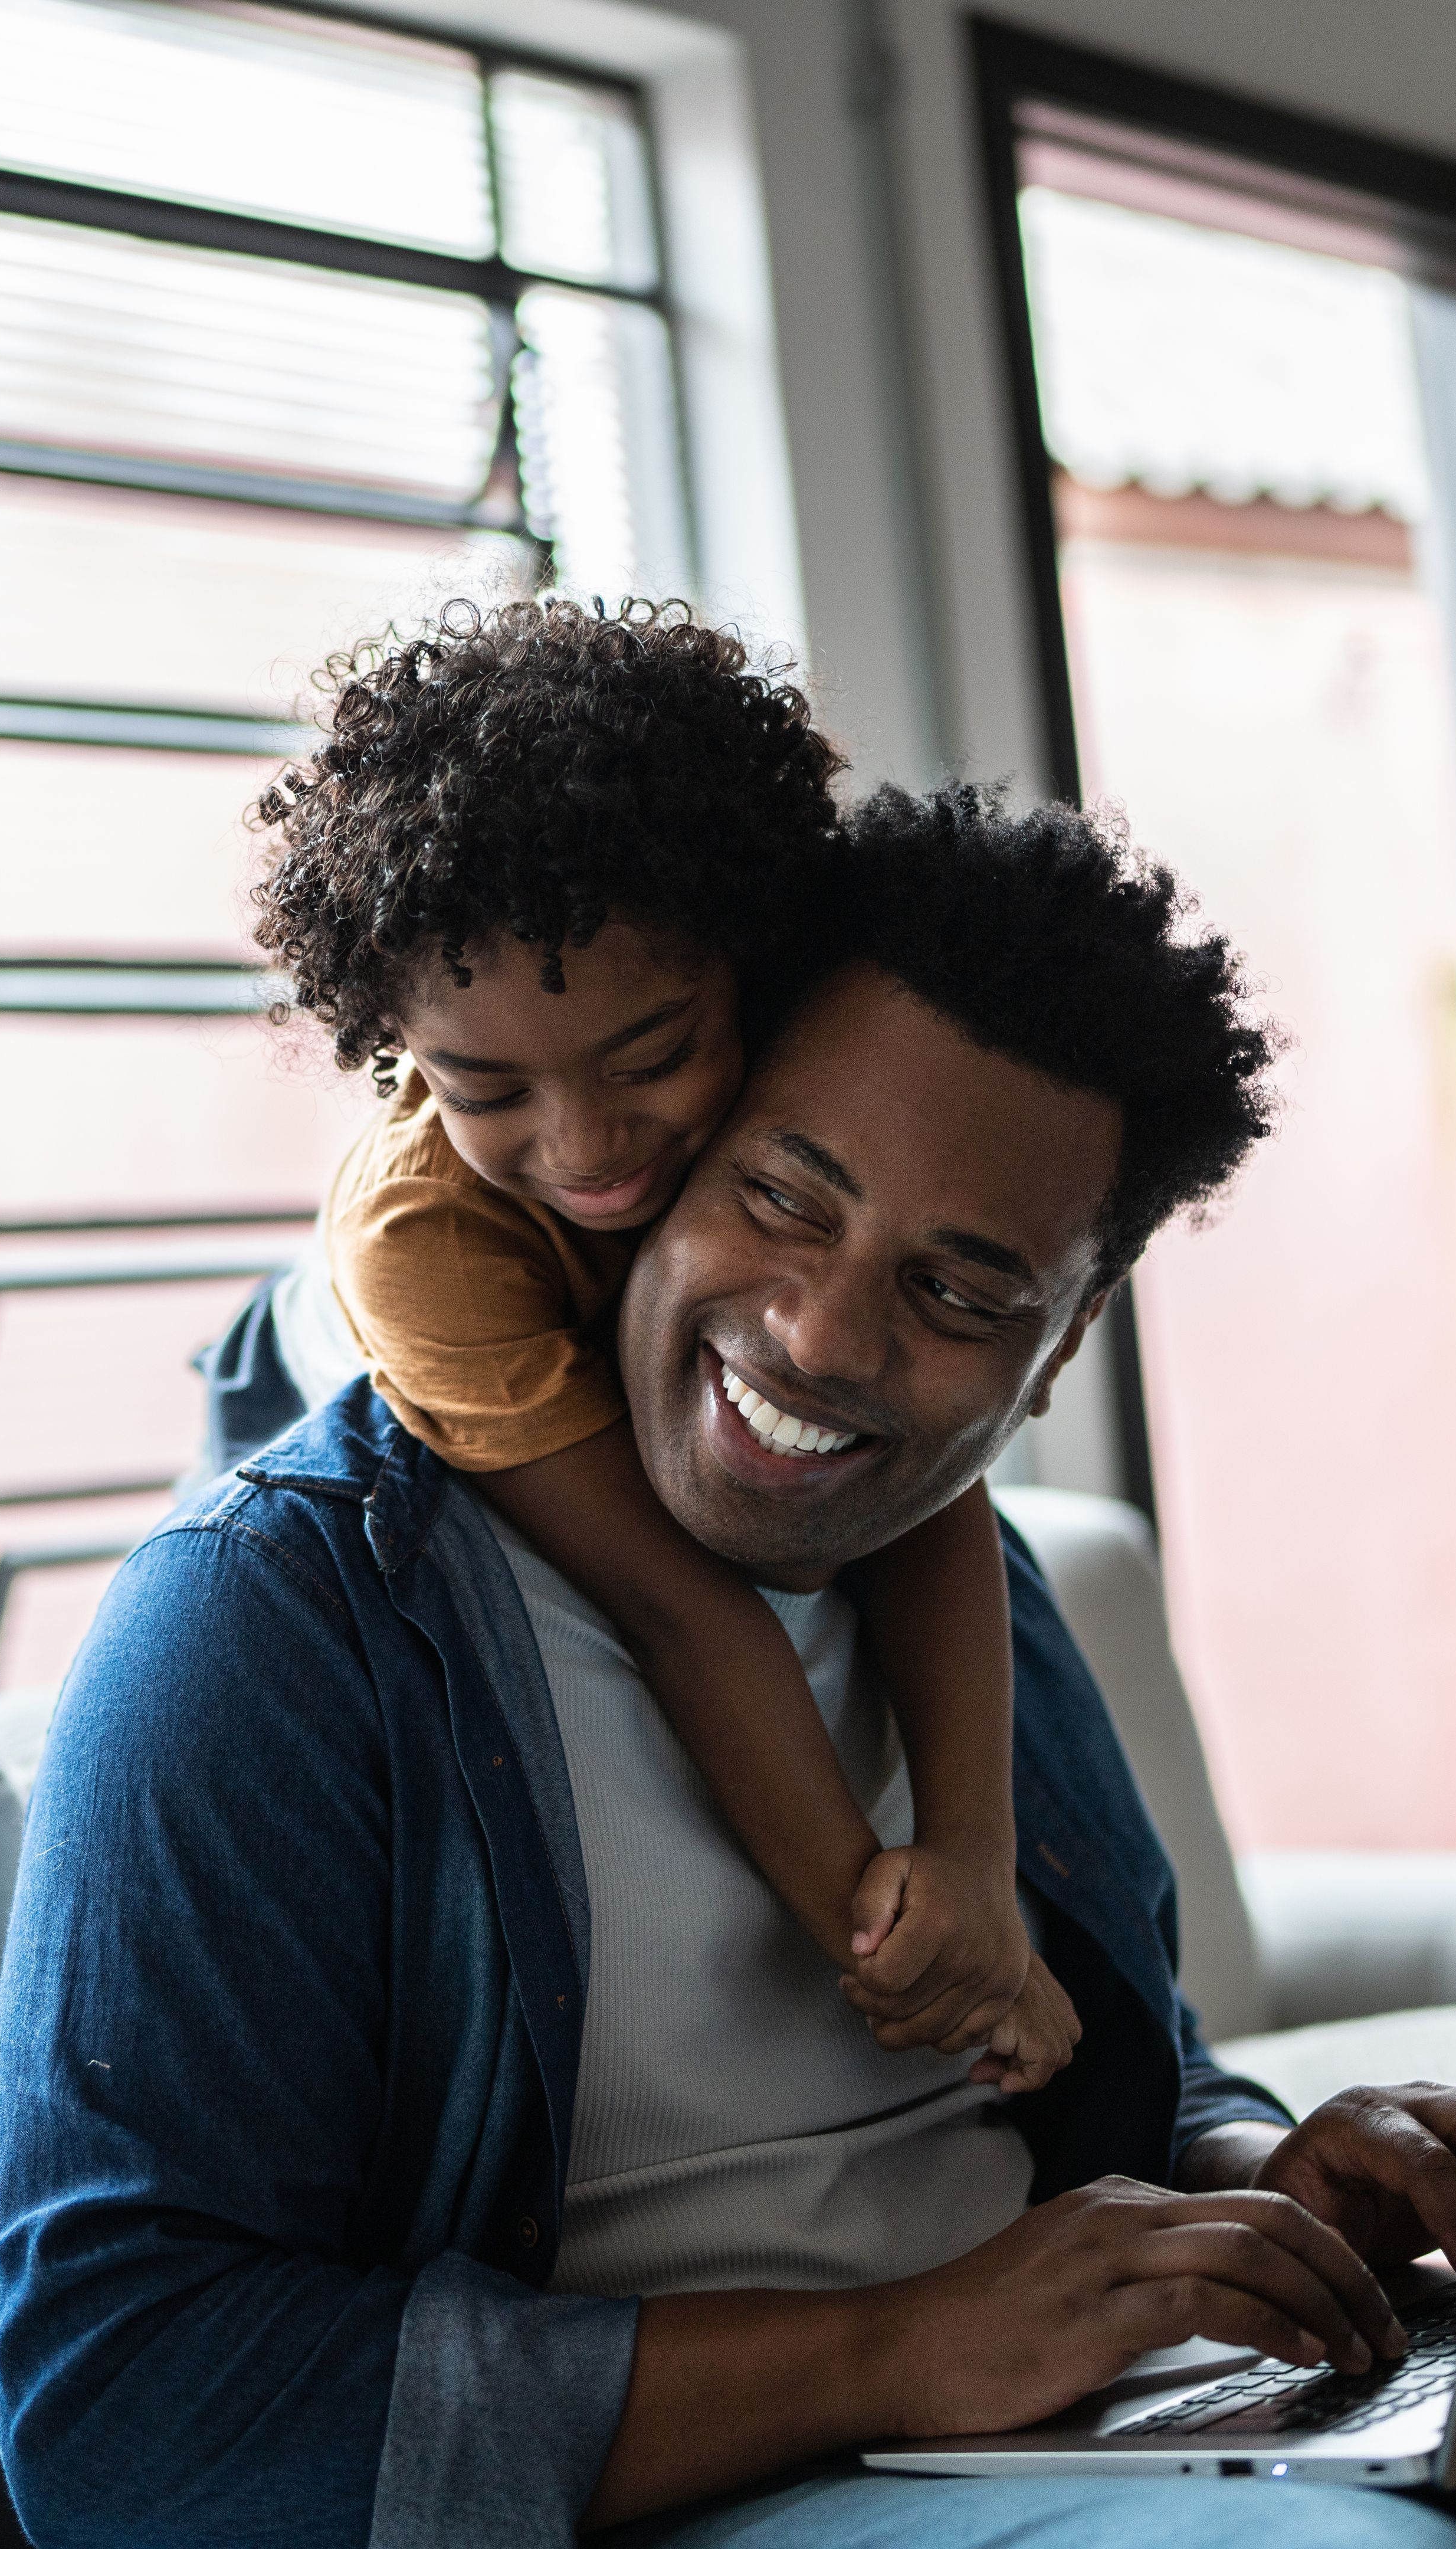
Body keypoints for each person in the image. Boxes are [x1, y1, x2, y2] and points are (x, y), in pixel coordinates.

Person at [0, 782, 1456, 2548]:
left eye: (957, 1290)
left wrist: (1250, 2173)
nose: (823, 1340)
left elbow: (1116, 2072)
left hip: (1060, 2421)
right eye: (779, 1200)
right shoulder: (276, 1628)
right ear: (643, 1174)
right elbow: (121, 2407)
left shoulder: (950, 1573)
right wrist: (898, 2345)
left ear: (1058, 1345)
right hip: (685, 2489)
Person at [250, 597, 1067, 2085]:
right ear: (396, 1045)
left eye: (650, 1057)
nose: (586, 1145)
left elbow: (929, 1499)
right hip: (339, 1357)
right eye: (482, 1085)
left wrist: (972, 1853)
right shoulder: (424, 1237)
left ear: (747, 971)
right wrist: (905, 1948)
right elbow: (675, 1604)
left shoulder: (784, 1114)